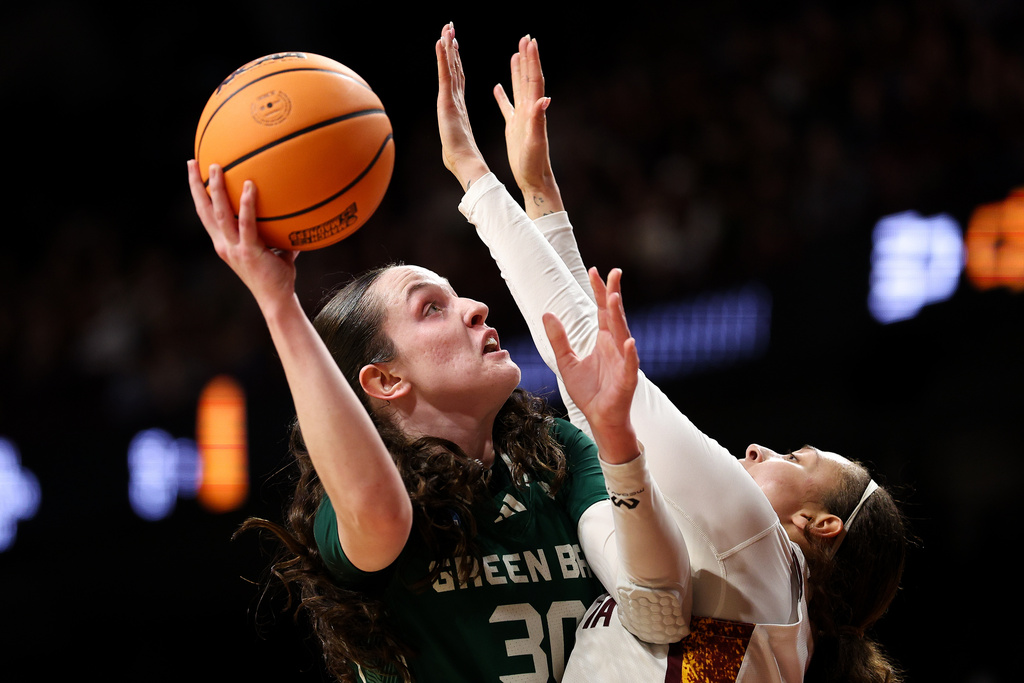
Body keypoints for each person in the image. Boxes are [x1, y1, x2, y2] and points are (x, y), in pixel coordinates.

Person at [184, 30, 691, 683]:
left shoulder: (557, 458)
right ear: (383, 379)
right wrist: (278, 302)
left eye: (455, 298)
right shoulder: (362, 513)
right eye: (432, 307)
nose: (477, 307)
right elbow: (380, 509)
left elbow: (658, 603)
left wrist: (534, 188)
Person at [436, 24, 907, 683]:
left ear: (818, 522)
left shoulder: (756, 545)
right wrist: (540, 192)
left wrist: (474, 177)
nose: (758, 451)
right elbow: (594, 404)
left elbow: (594, 375)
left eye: (794, 458)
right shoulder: (747, 610)